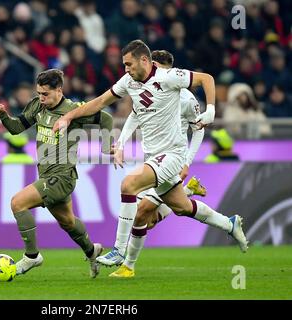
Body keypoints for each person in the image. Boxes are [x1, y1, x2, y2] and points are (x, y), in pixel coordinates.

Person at [53, 40, 248, 278]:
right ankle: (230, 224)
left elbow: (206, 78)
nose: (125, 69)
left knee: (128, 185)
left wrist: (211, 110)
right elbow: (99, 103)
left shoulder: (169, 78)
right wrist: (68, 117)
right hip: (154, 155)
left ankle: (119, 249)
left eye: (128, 64)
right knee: (182, 207)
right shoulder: (129, 82)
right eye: (124, 65)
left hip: (174, 154)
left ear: (144, 60)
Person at [0, 69, 113, 278]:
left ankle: (32, 256)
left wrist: (107, 147)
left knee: (18, 203)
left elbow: (106, 119)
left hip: (63, 177)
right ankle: (92, 251)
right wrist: (3, 114)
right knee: (68, 222)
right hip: (46, 176)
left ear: (59, 90)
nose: (41, 98)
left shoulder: (74, 110)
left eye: (45, 94)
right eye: (39, 93)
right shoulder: (37, 105)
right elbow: (17, 128)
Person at [96, 49, 208, 267]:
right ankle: (188, 191)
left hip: (171, 158)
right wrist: (120, 144)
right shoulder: (147, 91)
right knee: (147, 221)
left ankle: (124, 259)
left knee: (142, 211)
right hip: (152, 157)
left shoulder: (185, 97)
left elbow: (199, 130)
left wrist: (187, 161)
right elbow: (134, 116)